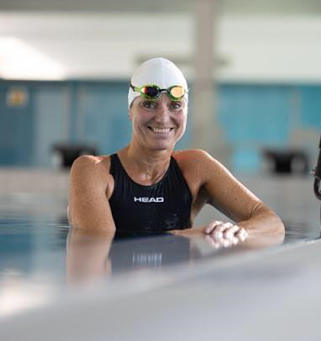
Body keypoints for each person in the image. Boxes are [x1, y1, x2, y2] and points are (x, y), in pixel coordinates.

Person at [68, 58, 285, 247]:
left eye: (175, 106)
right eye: (149, 104)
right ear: (130, 111)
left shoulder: (196, 167)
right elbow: (97, 250)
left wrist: (238, 232)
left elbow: (272, 224)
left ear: (186, 113)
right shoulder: (93, 171)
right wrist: (190, 236)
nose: (163, 118)